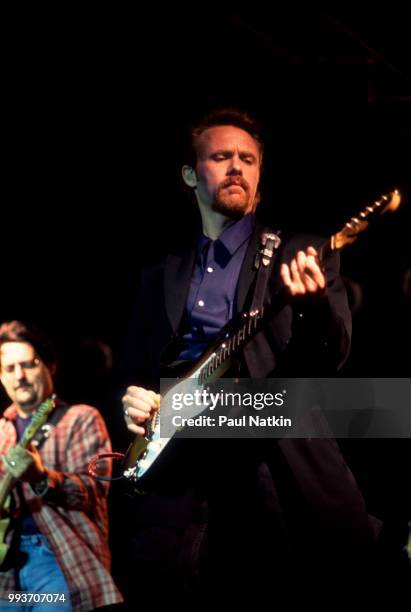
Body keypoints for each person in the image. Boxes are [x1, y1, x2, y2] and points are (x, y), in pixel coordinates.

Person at [119, 108, 402, 604]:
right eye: (221, 157)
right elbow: (137, 374)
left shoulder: (301, 252)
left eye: (247, 159)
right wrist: (135, 402)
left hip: (271, 479)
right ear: (190, 175)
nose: (236, 168)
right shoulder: (158, 275)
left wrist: (312, 308)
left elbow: (329, 359)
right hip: (179, 496)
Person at [0, 321, 123, 611]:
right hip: (6, 573)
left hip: (56, 561)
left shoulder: (80, 418)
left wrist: (41, 477)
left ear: (50, 365)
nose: (20, 376)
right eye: (9, 368)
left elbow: (94, 491)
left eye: (28, 364)